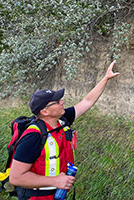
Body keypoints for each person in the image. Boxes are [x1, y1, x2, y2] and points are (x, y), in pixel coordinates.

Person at [9, 60, 120, 200]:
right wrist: (55, 181)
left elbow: (87, 101)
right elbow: (16, 178)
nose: (62, 102)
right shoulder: (33, 136)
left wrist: (105, 78)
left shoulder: (62, 121)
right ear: (44, 111)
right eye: (57, 102)